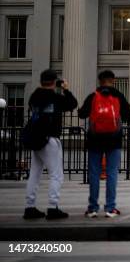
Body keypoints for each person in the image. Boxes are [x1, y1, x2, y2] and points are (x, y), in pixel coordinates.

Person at [23, 69, 78, 220]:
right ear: (55, 82)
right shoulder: (55, 97)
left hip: (36, 138)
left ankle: (30, 206)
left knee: (34, 174)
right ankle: (53, 207)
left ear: (41, 81)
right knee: (56, 175)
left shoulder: (34, 96)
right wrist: (65, 89)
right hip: (50, 139)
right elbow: (72, 104)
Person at [78, 70, 130, 218]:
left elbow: (81, 113)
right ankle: (110, 208)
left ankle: (93, 208)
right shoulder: (118, 96)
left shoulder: (93, 96)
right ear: (113, 80)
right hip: (114, 140)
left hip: (95, 140)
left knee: (94, 173)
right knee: (112, 173)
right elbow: (129, 116)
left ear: (100, 81)